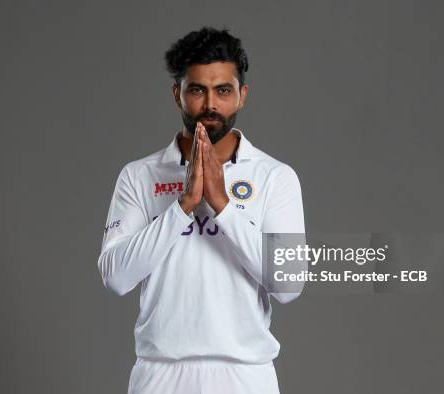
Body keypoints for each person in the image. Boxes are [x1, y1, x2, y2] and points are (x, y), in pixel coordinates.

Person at [97, 26, 306, 394]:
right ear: (177, 94)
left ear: (242, 96)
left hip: (246, 376)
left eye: (223, 90)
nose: (210, 104)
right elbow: (115, 277)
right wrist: (183, 206)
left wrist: (222, 205)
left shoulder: (275, 177)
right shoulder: (139, 175)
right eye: (197, 90)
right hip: (159, 374)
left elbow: (288, 284)